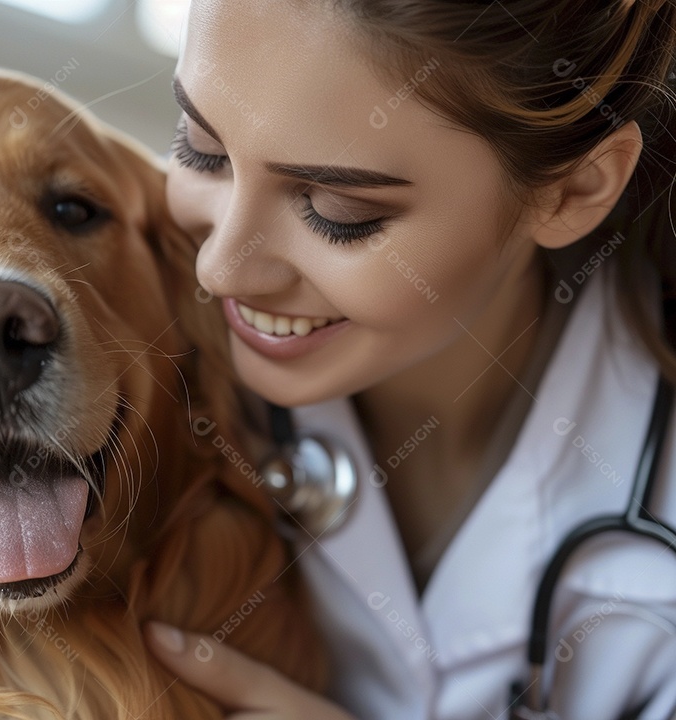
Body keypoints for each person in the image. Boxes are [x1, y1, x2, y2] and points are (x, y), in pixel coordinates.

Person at [141, 1, 676, 718]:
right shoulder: (131, 349)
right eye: (201, 147)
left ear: (572, 190)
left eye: (337, 210)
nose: (221, 268)